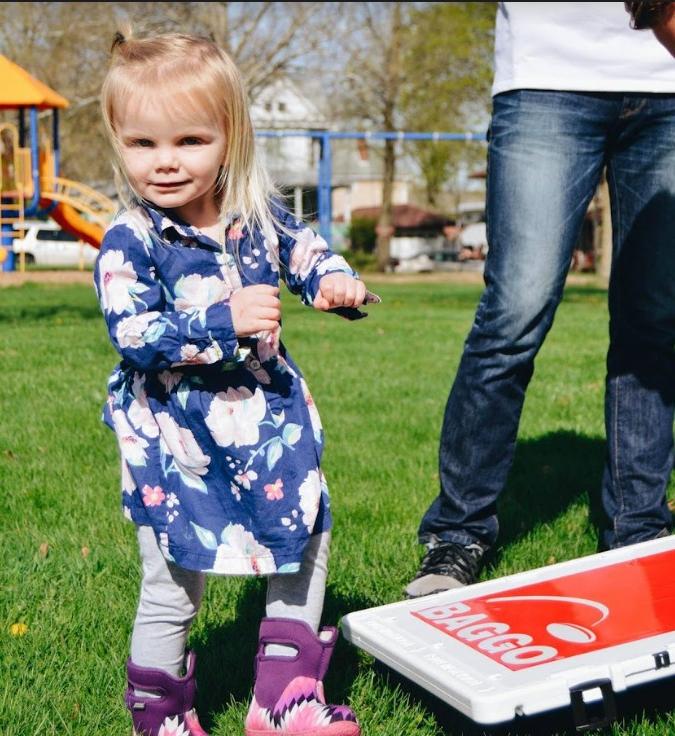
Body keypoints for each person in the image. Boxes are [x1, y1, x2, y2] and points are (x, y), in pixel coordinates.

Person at [94, 27, 370, 736]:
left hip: (269, 431)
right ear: (118, 141)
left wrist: (334, 279)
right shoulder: (132, 238)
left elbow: (306, 251)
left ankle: (284, 700)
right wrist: (223, 318)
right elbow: (134, 333)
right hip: (174, 442)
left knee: (303, 538)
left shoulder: (256, 217)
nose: (163, 163)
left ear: (231, 136)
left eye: (189, 141)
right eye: (142, 144)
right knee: (171, 583)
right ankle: (160, 719)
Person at [405, 1, 675, 599]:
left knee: (654, 319)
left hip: (668, 86)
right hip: (547, 78)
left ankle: (640, 528)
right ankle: (458, 530)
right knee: (514, 314)